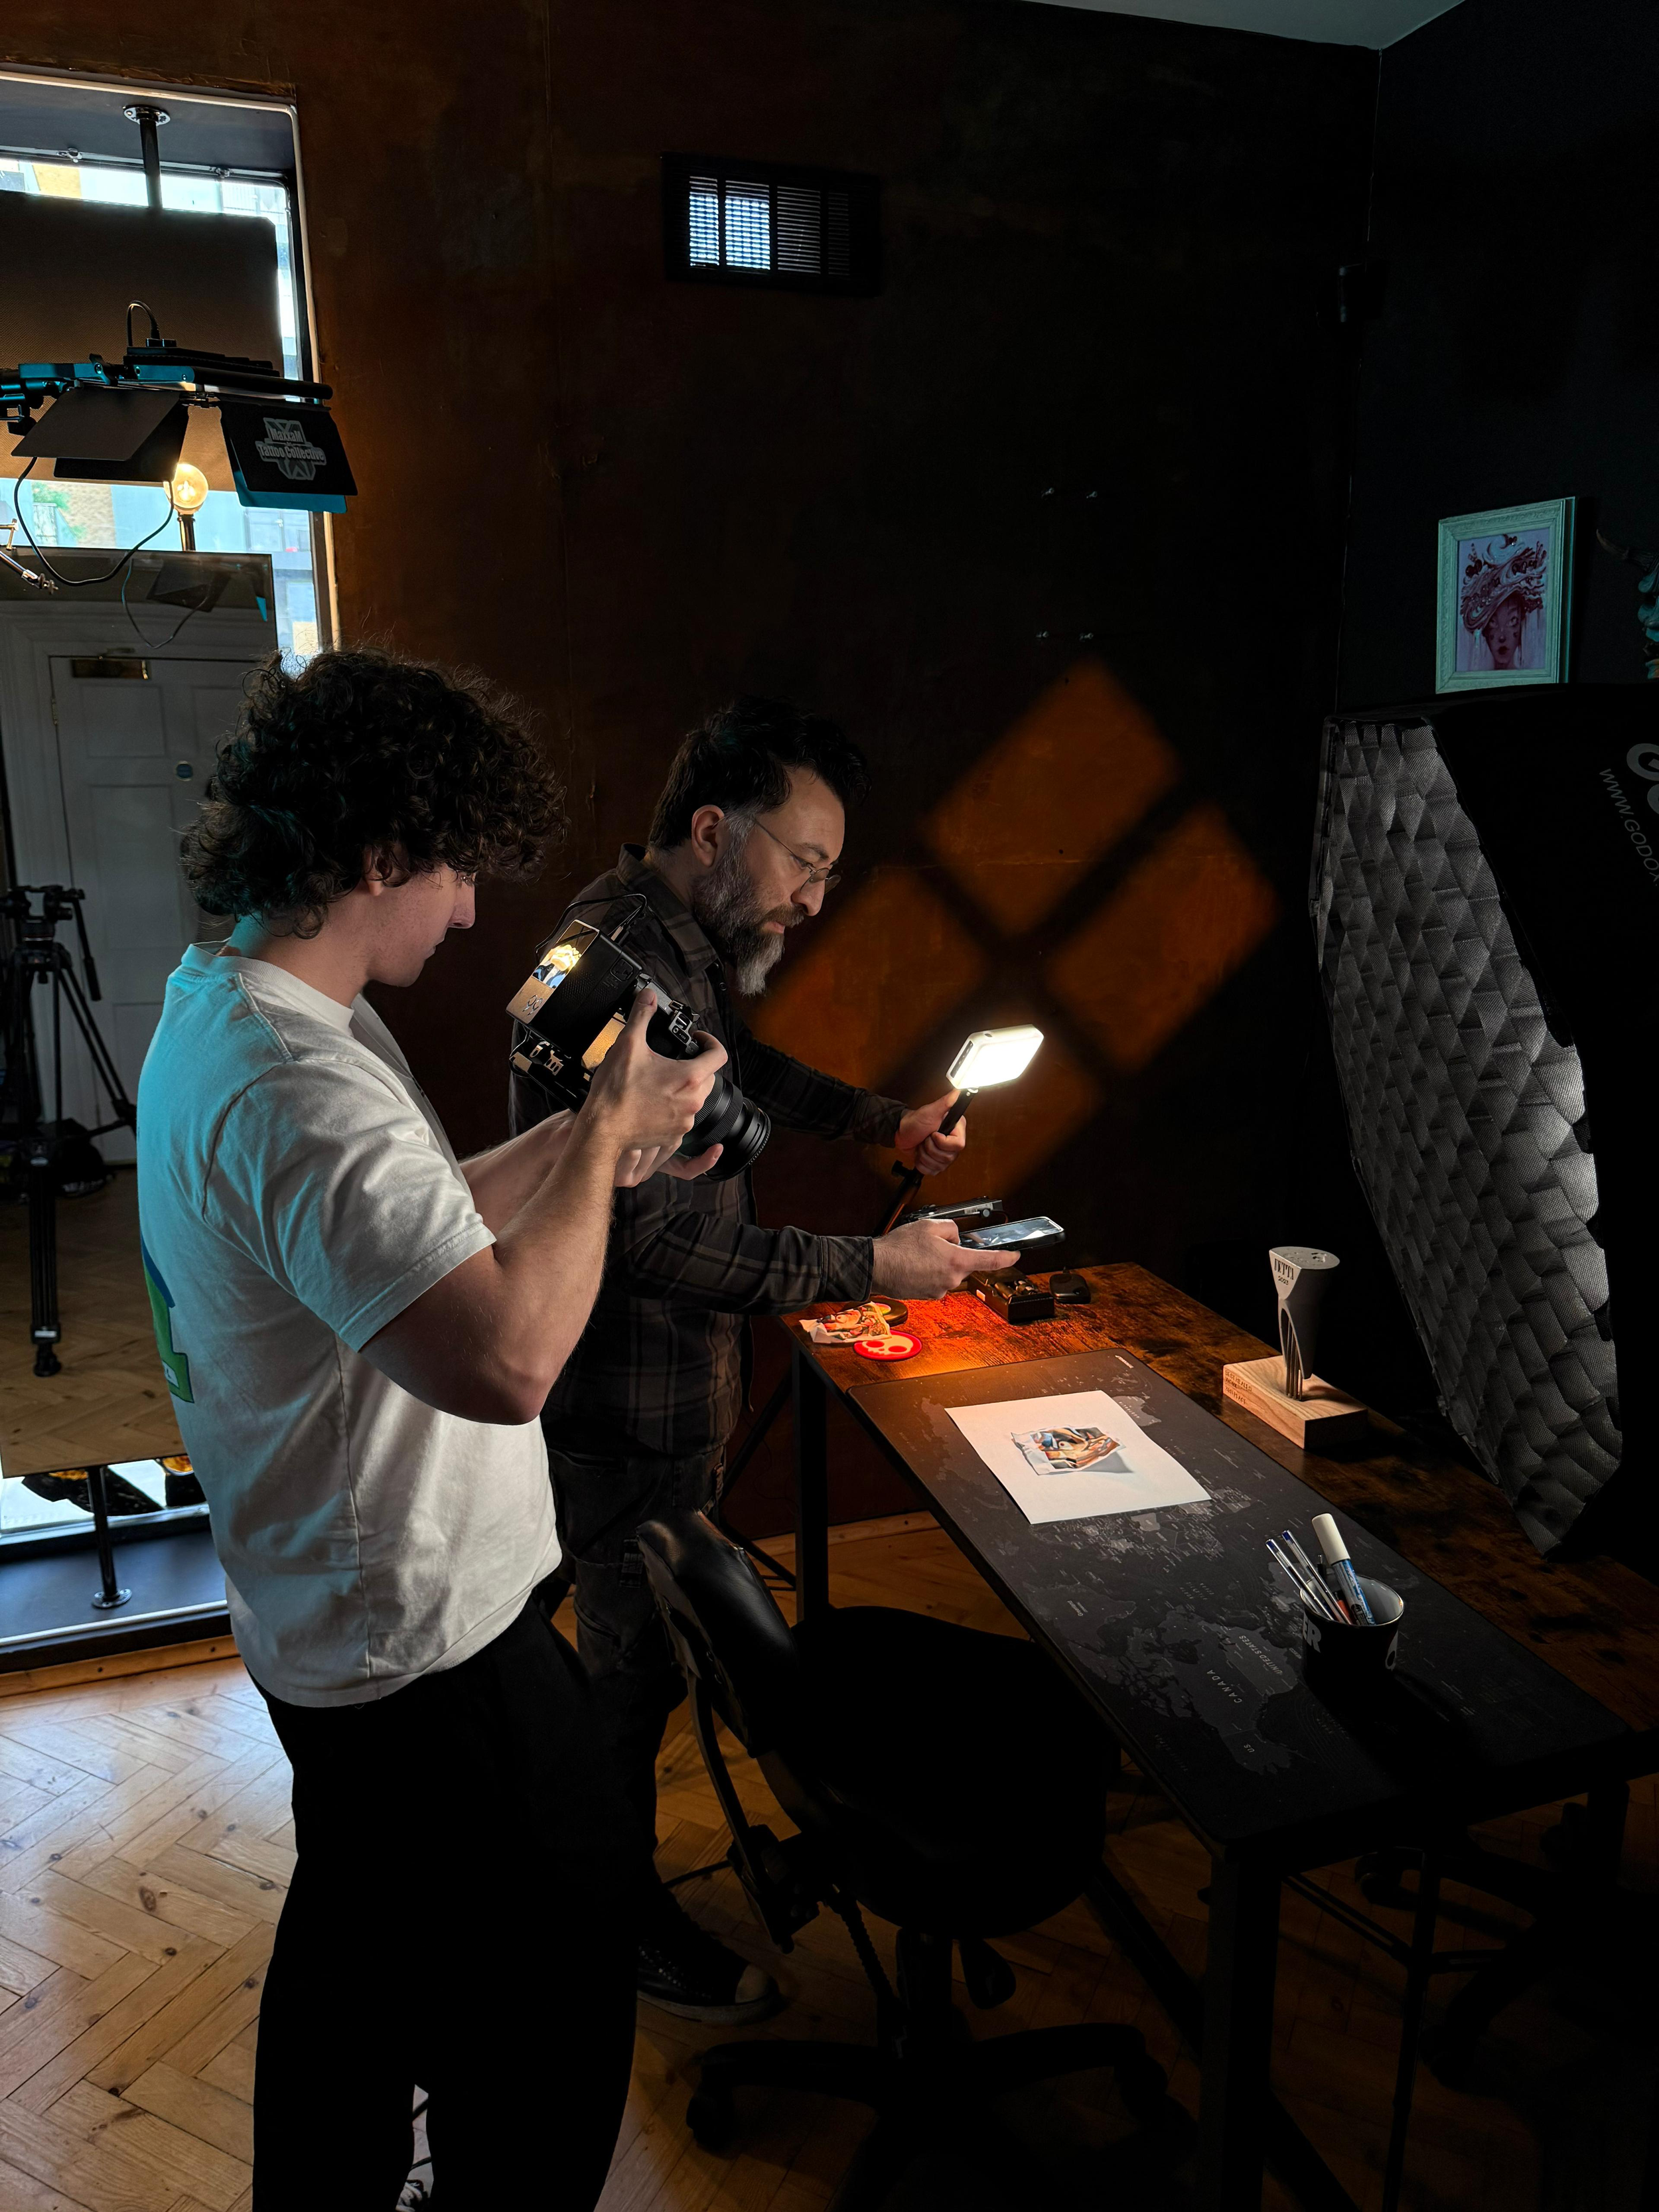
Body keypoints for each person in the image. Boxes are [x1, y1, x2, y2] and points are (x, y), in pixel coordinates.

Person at [138, 646, 728, 2210]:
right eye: (457, 865)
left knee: (360, 1954)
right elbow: (511, 1357)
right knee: (545, 2011)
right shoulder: (297, 1084)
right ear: (382, 848)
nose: (470, 910)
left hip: (333, 1628)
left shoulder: (241, 1013)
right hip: (423, 1648)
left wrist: (565, 1149)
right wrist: (606, 1136)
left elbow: (401, 1240)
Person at [510, 696, 1017, 2025]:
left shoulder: (656, 934)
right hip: (622, 1406)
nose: (812, 897)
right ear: (715, 830)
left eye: (829, 873)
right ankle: (607, 1930)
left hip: (661, 1401)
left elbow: (750, 1076)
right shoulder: (606, 964)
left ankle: (568, 1891)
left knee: (632, 1671)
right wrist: (872, 1269)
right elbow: (649, 1248)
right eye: (802, 862)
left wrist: (878, 1122)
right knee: (624, 1686)